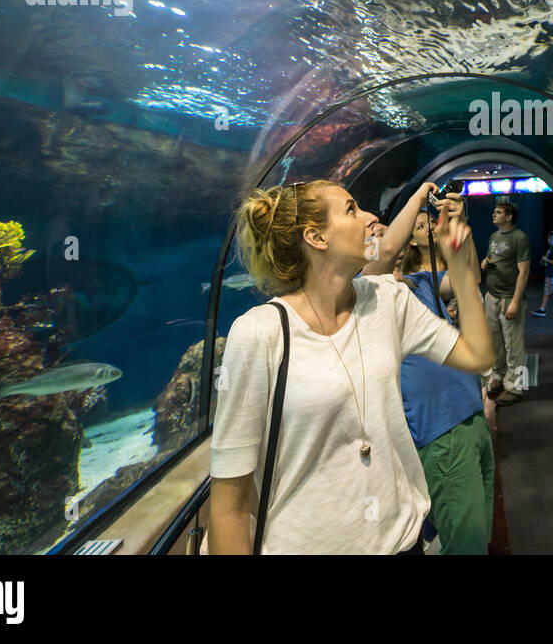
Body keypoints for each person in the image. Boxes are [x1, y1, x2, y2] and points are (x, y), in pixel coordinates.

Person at [207, 179, 493, 554]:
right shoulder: (258, 334)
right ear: (316, 237)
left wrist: (458, 263)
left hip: (402, 544)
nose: (371, 218)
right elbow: (230, 501)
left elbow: (478, 355)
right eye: (352, 209)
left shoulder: (389, 300)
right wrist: (420, 196)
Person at [393, 211, 494, 554]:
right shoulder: (384, 289)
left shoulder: (424, 280)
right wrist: (419, 192)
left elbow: (468, 278)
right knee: (466, 542)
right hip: (439, 428)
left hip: (469, 414)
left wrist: (459, 234)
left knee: (476, 531)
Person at [480, 200, 530, 405]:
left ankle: (518, 388)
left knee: (514, 345)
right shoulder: (494, 236)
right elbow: (488, 258)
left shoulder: (520, 238)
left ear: (508, 217)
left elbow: (524, 272)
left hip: (509, 299)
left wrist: (515, 302)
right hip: (492, 297)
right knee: (495, 342)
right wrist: (484, 264)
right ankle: (498, 377)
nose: (494, 214)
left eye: (498, 212)